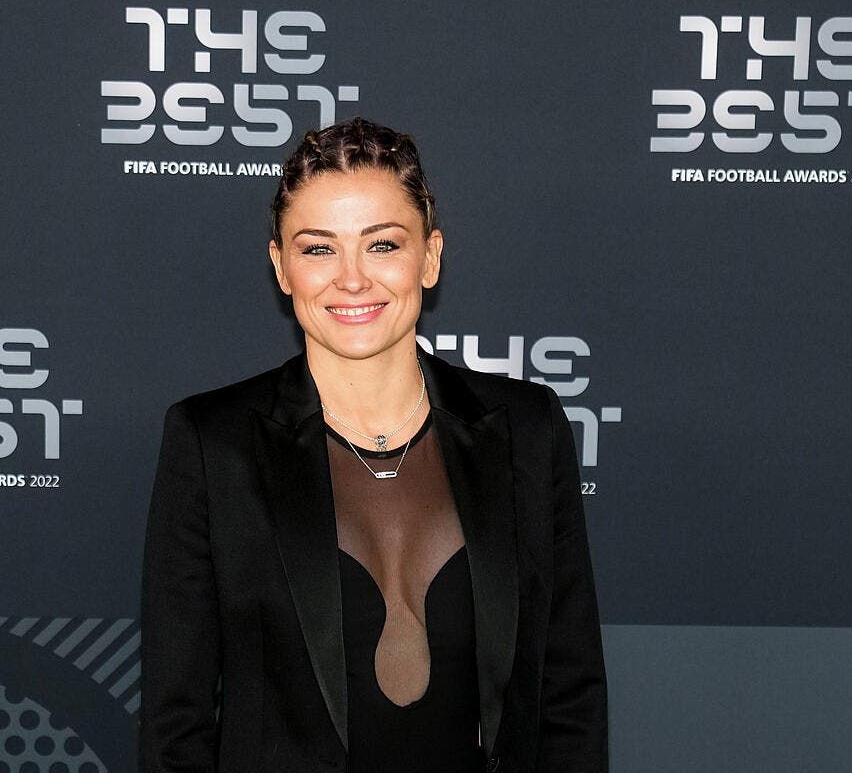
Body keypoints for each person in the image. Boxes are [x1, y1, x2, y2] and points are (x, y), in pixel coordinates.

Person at [139, 117, 608, 772]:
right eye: (318, 249)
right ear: (281, 266)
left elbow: (569, 694)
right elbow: (176, 723)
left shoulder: (526, 429)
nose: (352, 279)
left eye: (382, 244)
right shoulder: (213, 443)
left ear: (430, 256)